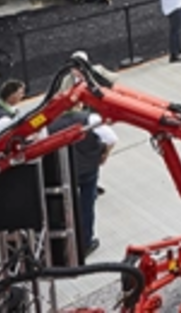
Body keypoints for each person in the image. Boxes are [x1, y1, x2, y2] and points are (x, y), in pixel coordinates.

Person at [47, 105, 117, 256]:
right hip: (88, 168)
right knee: (87, 204)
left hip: (63, 171)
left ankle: (60, 240)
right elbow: (111, 138)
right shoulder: (89, 119)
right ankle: (85, 242)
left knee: (61, 203)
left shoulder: (50, 121)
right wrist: (104, 154)